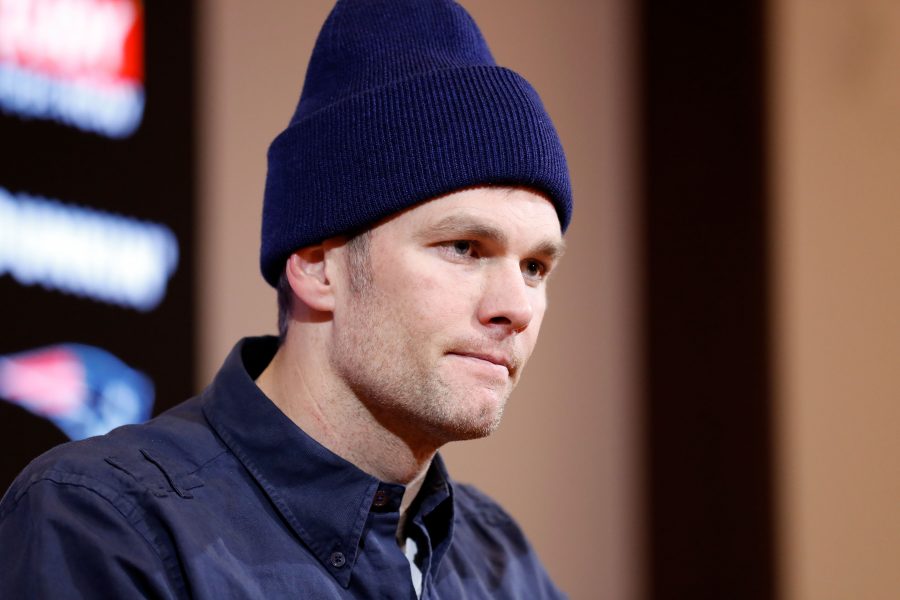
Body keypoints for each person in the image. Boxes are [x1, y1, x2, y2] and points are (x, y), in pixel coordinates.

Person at [0, 0, 573, 597]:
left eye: (535, 266)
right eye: (463, 246)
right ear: (317, 265)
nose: (518, 305)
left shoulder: (503, 563)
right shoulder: (106, 522)